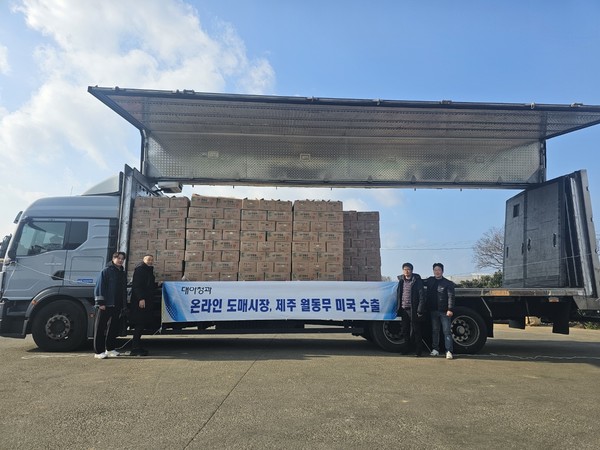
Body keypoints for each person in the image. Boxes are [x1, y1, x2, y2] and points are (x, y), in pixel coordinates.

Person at [93, 251, 127, 359]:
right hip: (106, 304)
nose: (120, 260)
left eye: (122, 259)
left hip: (117, 304)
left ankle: (110, 349)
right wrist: (100, 303)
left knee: (113, 327)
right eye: (118, 258)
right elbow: (99, 287)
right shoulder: (106, 271)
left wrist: (123, 304)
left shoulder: (122, 272)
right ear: (113, 259)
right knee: (100, 327)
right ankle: (98, 351)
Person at [425, 262, 456, 359]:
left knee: (447, 331)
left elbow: (451, 297)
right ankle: (435, 349)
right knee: (435, 331)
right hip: (433, 311)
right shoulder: (430, 280)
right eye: (435, 270)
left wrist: (450, 309)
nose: (437, 272)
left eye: (439, 270)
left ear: (442, 271)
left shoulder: (448, 283)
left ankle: (449, 351)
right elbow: (419, 281)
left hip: (444, 311)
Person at [129, 254, 157, 356]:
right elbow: (137, 286)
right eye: (148, 260)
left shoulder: (148, 270)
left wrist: (157, 284)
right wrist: (141, 298)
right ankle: (135, 348)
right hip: (140, 302)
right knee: (139, 324)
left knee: (142, 324)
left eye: (151, 260)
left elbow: (148, 285)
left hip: (146, 300)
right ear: (144, 260)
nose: (150, 261)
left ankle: (137, 346)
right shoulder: (140, 270)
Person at [396, 262, 426, 356]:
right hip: (404, 309)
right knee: (405, 330)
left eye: (408, 269)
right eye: (405, 269)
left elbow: (422, 296)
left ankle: (418, 350)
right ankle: (406, 348)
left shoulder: (417, 281)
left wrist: (420, 309)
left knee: (416, 330)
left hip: (413, 310)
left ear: (412, 270)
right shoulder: (401, 281)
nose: (406, 271)